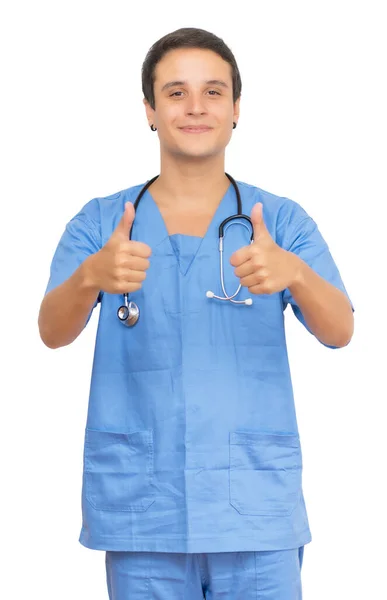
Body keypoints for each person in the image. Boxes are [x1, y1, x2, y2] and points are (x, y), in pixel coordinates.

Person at [38, 27, 355, 600]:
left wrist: (297, 275)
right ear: (149, 111)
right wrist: (91, 276)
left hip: (254, 507)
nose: (195, 107)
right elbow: (52, 333)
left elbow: (340, 331)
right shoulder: (102, 222)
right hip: (143, 511)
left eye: (213, 92)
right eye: (176, 92)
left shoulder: (279, 222)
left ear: (237, 110)